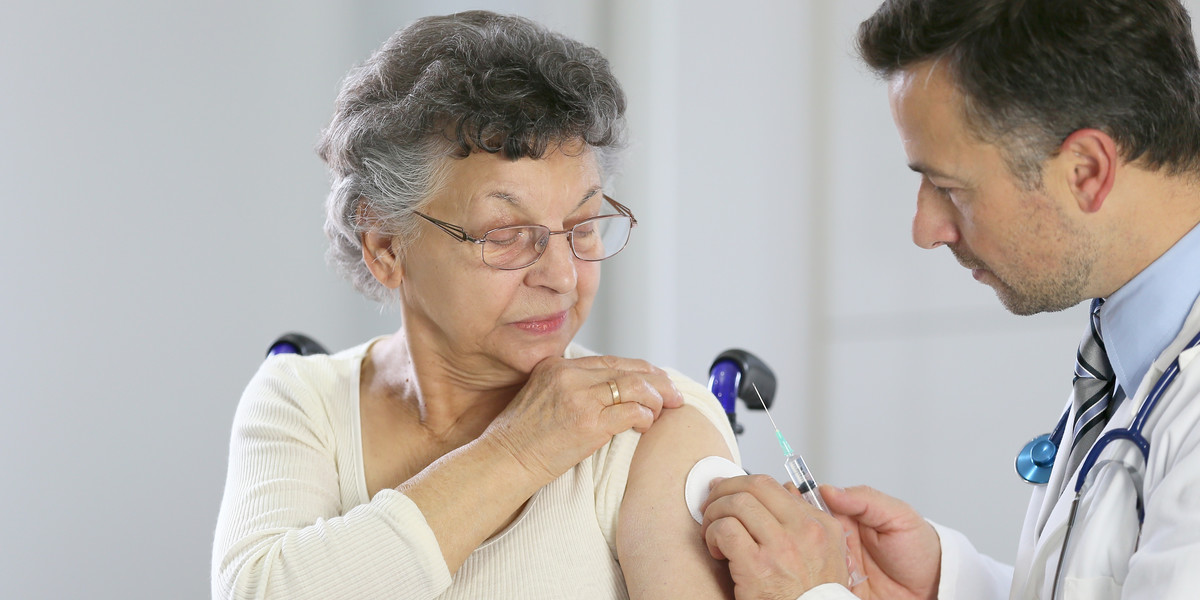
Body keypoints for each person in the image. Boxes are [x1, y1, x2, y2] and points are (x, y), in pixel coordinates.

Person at [211, 11, 741, 599]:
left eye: (584, 225)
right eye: (506, 233)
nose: (562, 276)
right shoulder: (301, 399)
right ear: (387, 247)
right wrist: (517, 450)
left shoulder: (652, 423)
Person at [700, 0, 1200, 598]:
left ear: (1087, 171)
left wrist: (812, 594)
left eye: (948, 187)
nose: (925, 229)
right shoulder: (1132, 348)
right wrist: (951, 583)